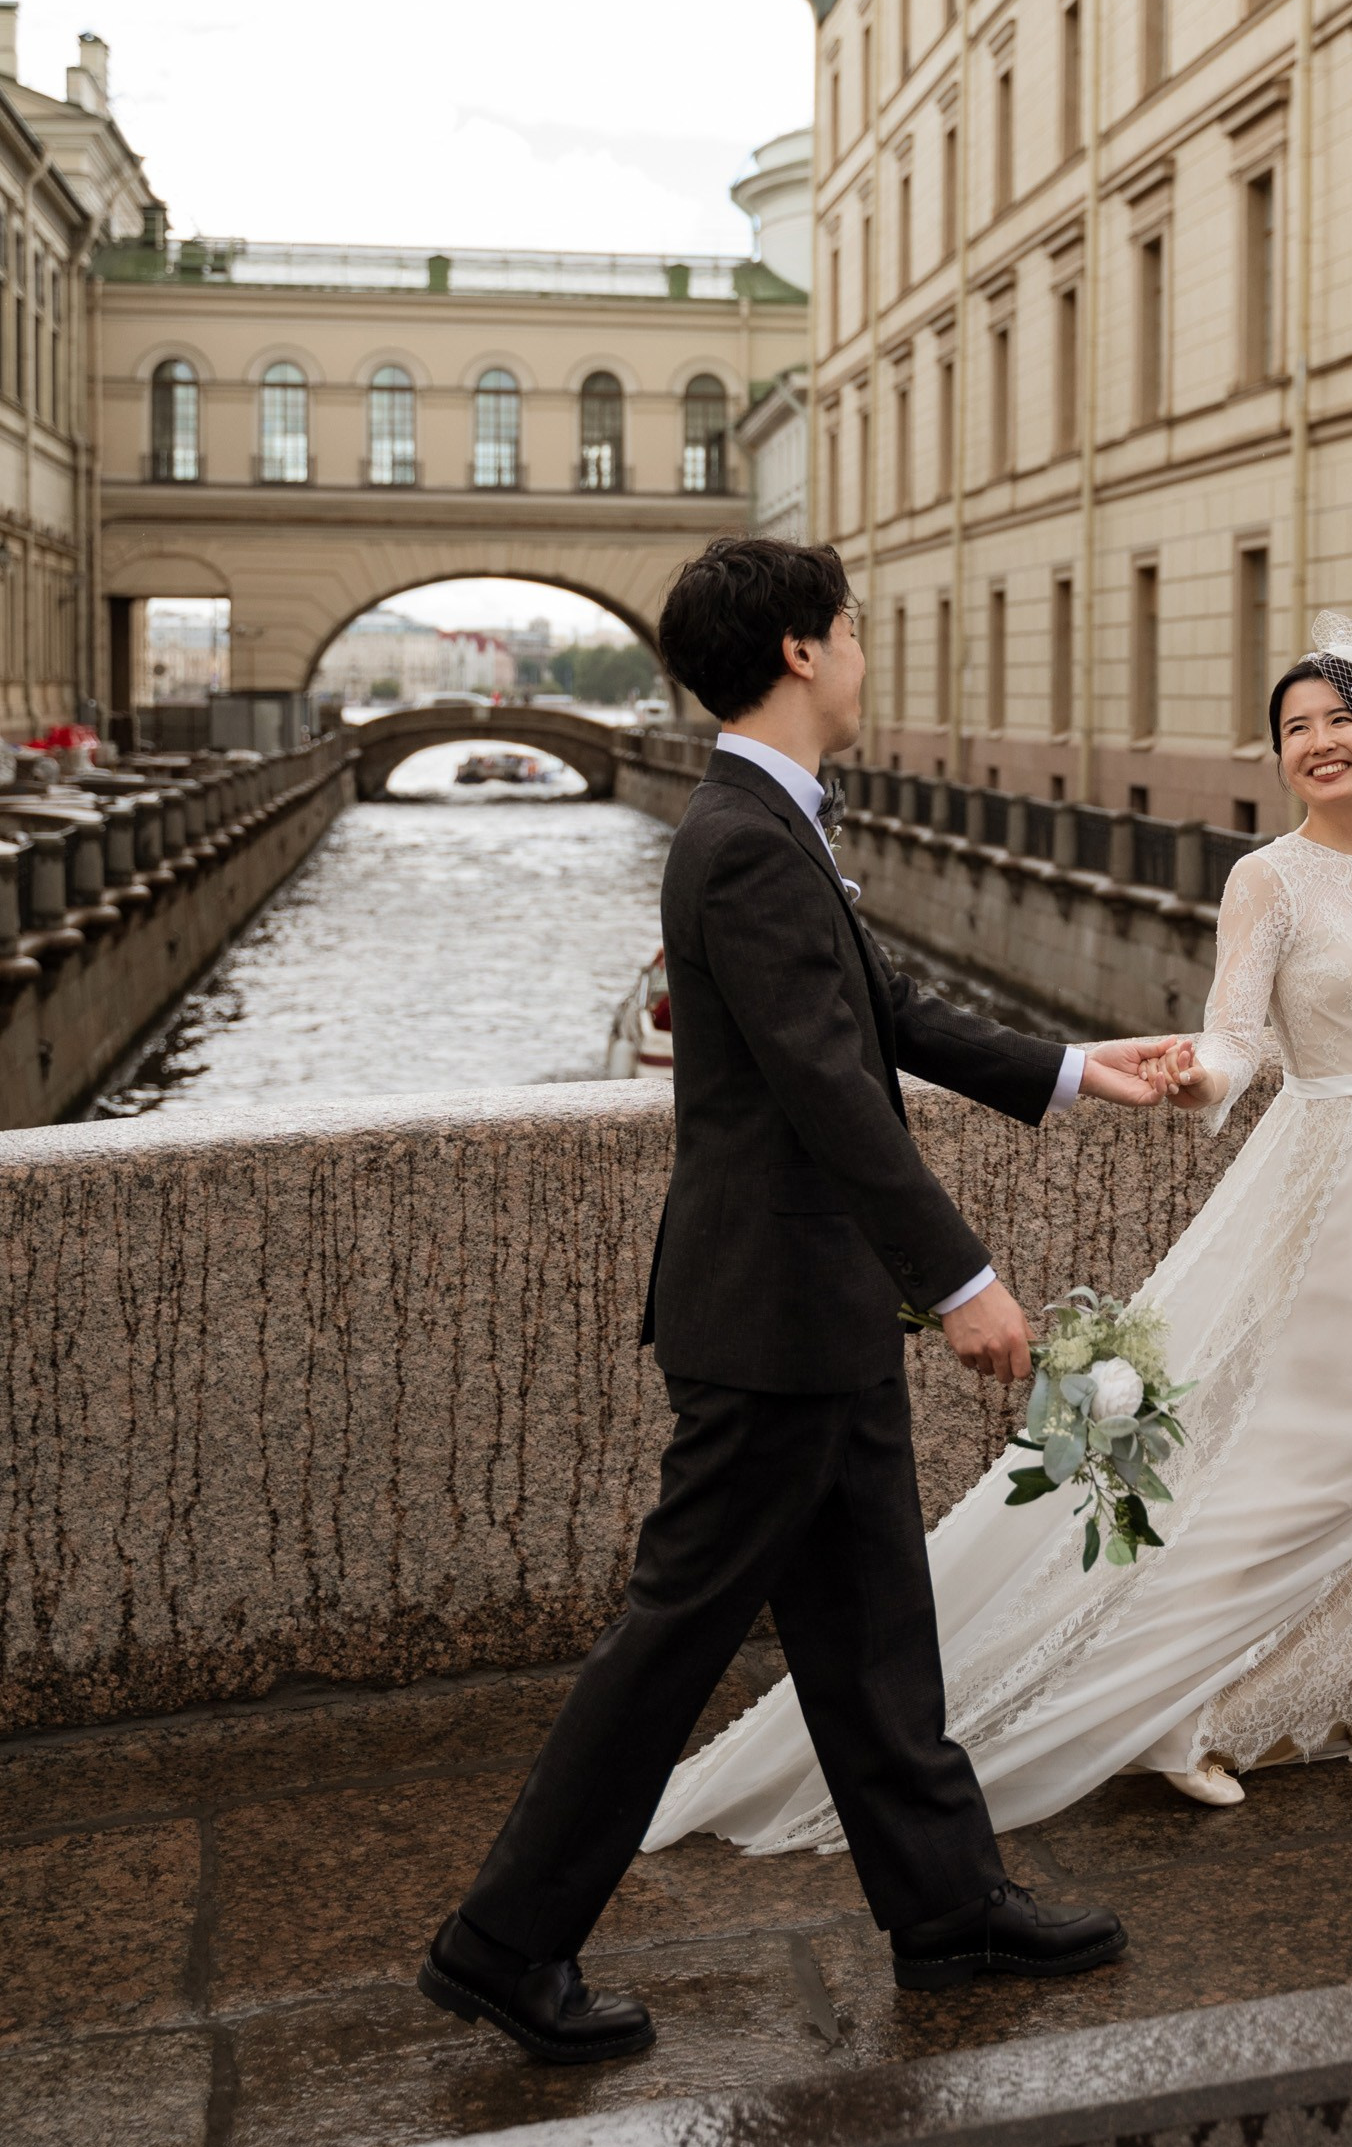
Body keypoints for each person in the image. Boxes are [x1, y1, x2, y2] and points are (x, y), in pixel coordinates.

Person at [643, 610, 1352, 1860]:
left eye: (1336, 723)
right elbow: (1240, 1037)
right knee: (1297, 1455)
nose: (1314, 744)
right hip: (1317, 1191)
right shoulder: (1264, 878)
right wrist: (1194, 1077)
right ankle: (1182, 1709)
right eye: (1291, 729)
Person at [418, 536, 1188, 2060]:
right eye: (851, 629)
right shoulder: (748, 838)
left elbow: (882, 1014)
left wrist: (1073, 1067)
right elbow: (831, 1085)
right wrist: (961, 1277)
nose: (861, 651)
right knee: (672, 1642)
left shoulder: (764, 821)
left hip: (808, 1310)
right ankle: (505, 1942)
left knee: (870, 1631)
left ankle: (948, 1905)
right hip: (772, 1317)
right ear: (796, 652)